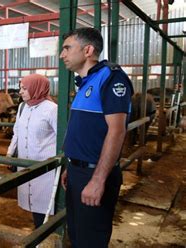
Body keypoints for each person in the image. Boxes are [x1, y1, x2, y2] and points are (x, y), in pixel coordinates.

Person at [60, 27, 133, 247]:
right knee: (77, 234)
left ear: (88, 50)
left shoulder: (111, 78)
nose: (62, 55)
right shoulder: (85, 82)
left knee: (90, 240)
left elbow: (117, 131)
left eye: (67, 48)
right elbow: (86, 131)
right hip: (78, 172)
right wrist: (72, 165)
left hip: (94, 175)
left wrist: (98, 180)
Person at [6, 74, 58, 229]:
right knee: (32, 200)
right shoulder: (22, 107)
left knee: (45, 203)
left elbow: (63, 137)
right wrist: (10, 153)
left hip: (45, 167)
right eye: (21, 88)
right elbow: (17, 132)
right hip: (25, 162)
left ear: (37, 88)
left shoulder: (52, 110)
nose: (20, 92)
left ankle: (45, 234)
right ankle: (39, 232)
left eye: (24, 88)